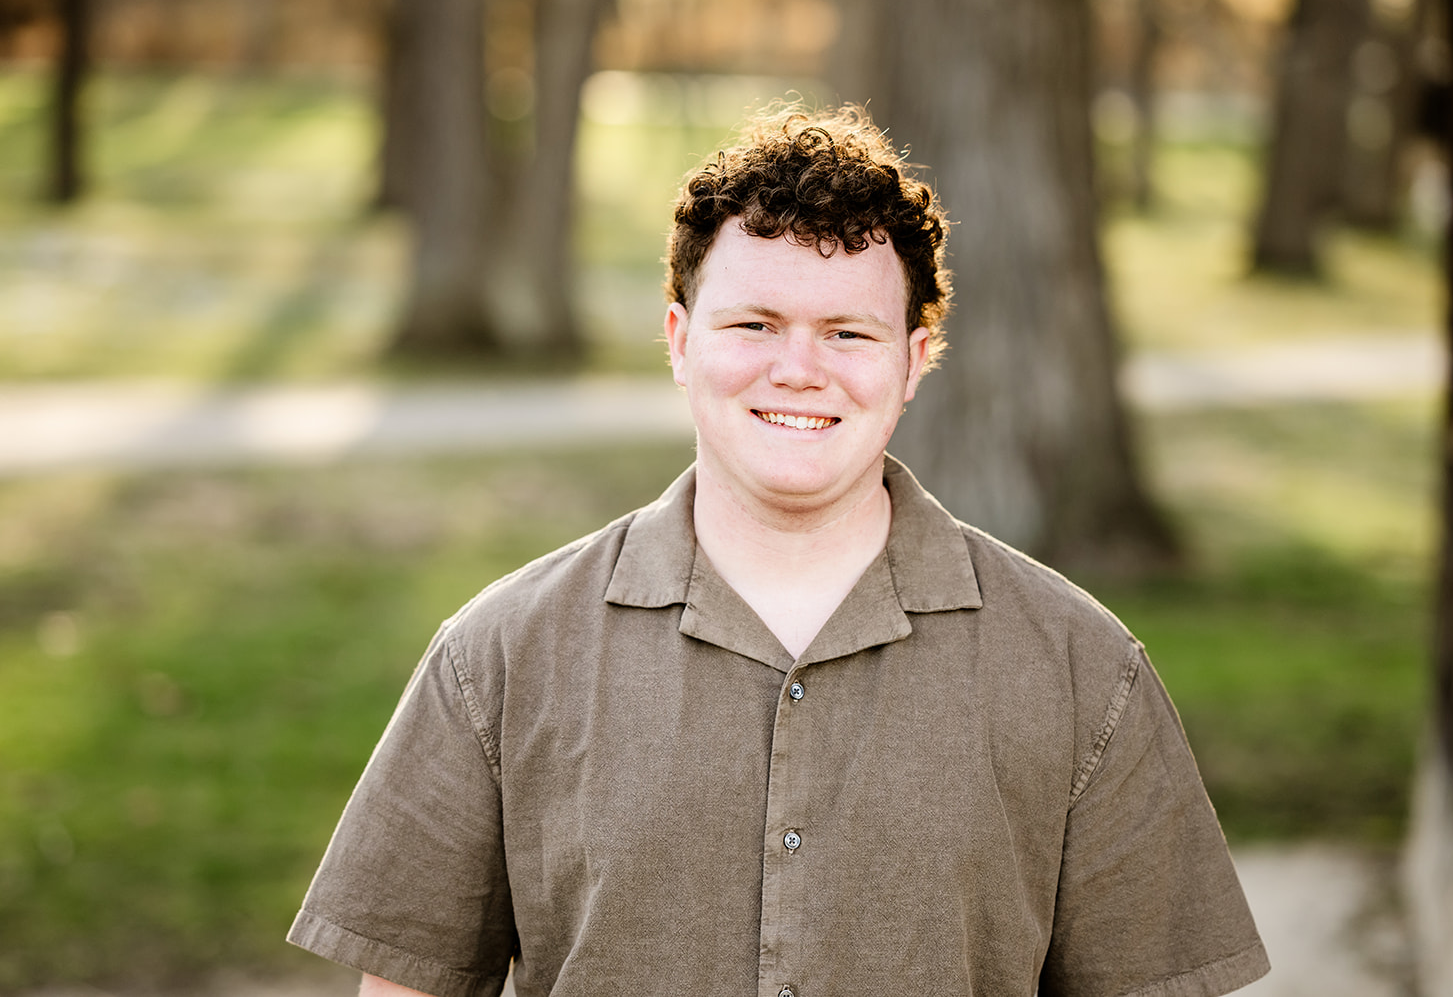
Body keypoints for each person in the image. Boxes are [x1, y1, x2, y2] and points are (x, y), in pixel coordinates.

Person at [288, 105, 1270, 997]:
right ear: (678, 340)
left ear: (914, 360)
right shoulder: (498, 653)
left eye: (848, 331)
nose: (797, 369)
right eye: (753, 322)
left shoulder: (1078, 666)